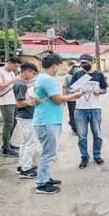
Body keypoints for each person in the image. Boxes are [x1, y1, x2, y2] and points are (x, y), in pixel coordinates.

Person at [33, 54, 83, 195]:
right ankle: (41, 184)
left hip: (49, 120)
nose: (58, 70)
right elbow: (58, 99)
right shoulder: (47, 80)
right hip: (47, 121)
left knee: (50, 152)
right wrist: (74, 96)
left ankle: (46, 178)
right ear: (54, 65)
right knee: (48, 154)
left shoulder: (43, 78)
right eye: (58, 66)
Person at [70, 54, 108, 169]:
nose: (84, 65)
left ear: (92, 62)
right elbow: (71, 89)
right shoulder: (77, 74)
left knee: (97, 134)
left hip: (95, 108)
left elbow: (104, 89)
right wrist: (77, 90)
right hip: (80, 109)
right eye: (82, 63)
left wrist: (99, 92)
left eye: (86, 62)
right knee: (82, 136)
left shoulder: (99, 74)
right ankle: (84, 157)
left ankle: (97, 155)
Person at [13, 62, 40, 179]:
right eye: (32, 73)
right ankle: (26, 169)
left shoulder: (21, 83)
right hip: (26, 116)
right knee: (31, 143)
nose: (33, 76)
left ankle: (22, 165)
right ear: (27, 71)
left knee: (25, 142)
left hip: (25, 117)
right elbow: (19, 103)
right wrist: (33, 101)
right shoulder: (20, 84)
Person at [0, 57, 22, 157]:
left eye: (17, 67)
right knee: (8, 123)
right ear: (9, 63)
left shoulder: (12, 73)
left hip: (13, 100)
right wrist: (13, 80)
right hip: (5, 102)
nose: (16, 68)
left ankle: (8, 143)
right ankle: (6, 149)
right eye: (15, 66)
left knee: (14, 122)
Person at [63, 60, 80, 136]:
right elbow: (64, 87)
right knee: (72, 113)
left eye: (77, 67)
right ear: (70, 67)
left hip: (79, 98)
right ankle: (75, 129)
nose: (76, 68)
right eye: (74, 66)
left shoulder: (79, 75)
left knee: (78, 113)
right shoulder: (67, 76)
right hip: (71, 98)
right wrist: (64, 98)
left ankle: (72, 122)